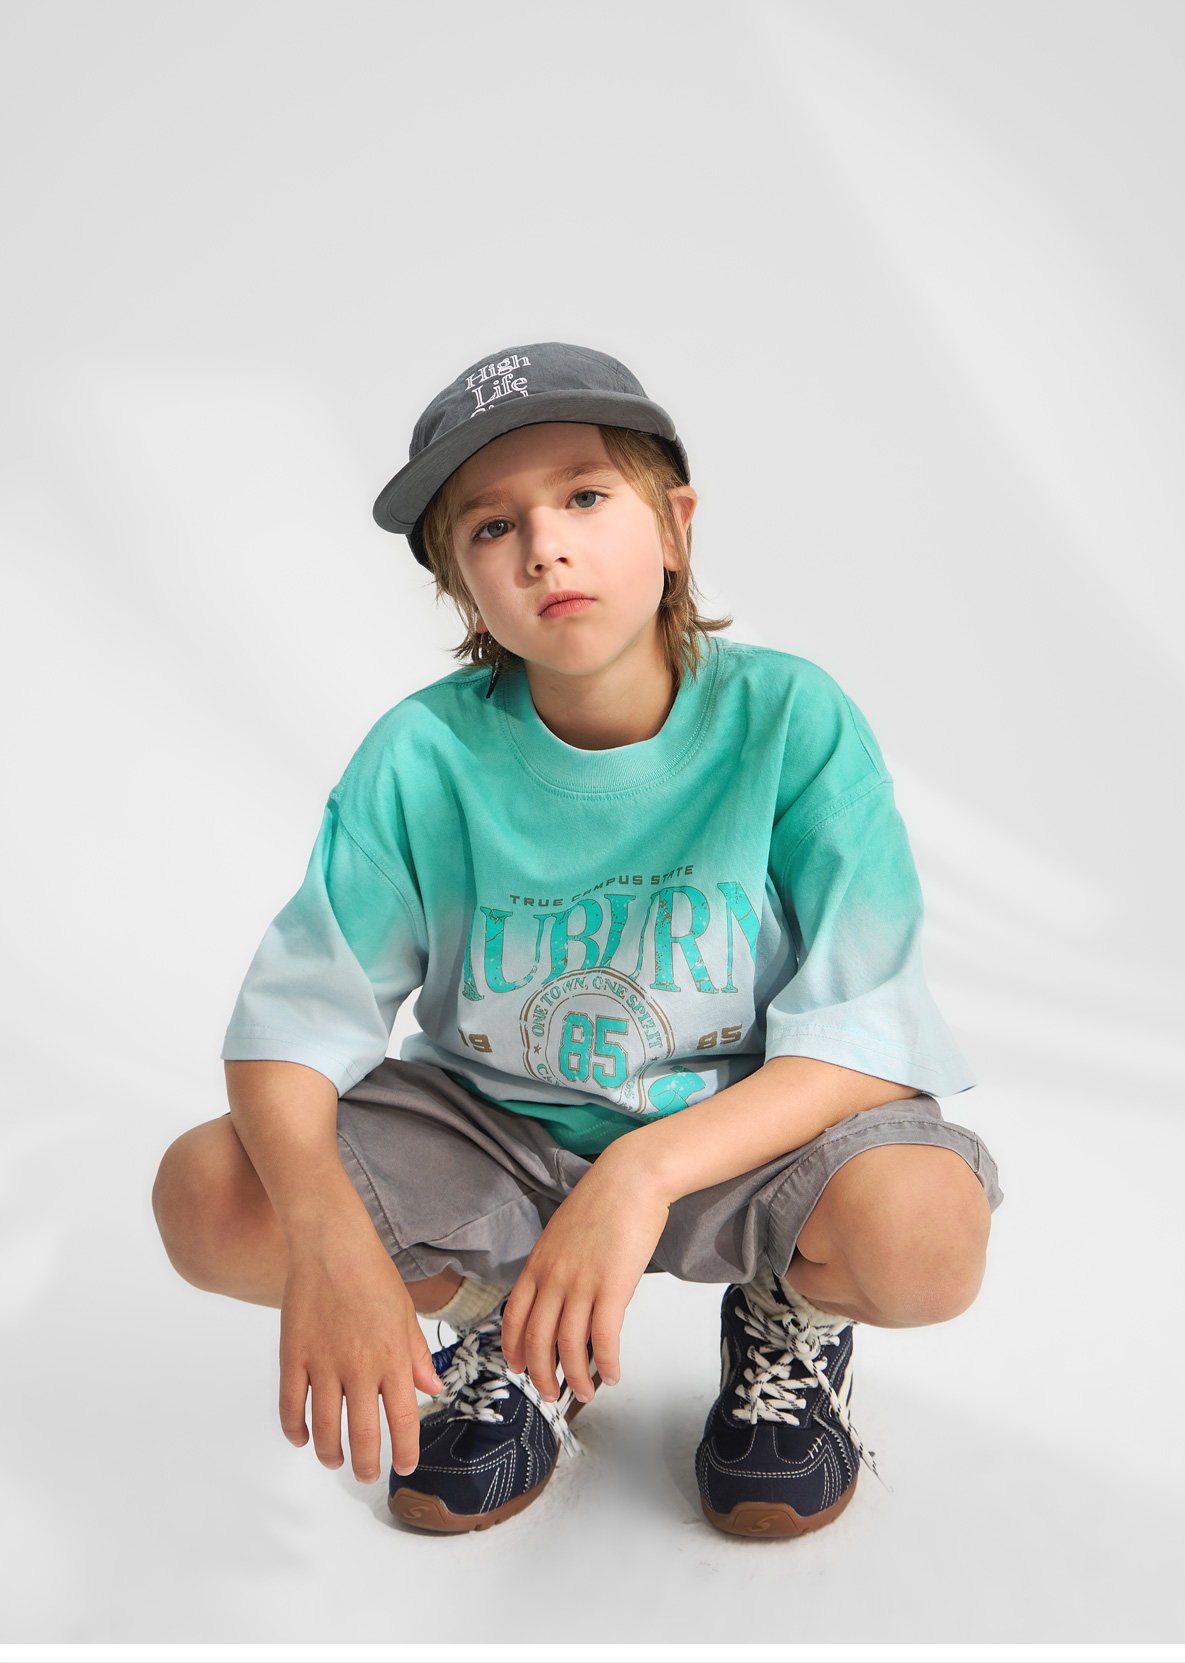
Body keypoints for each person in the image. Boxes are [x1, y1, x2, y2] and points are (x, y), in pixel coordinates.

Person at [152, 342, 1002, 1539]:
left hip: (731, 1139)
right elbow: (295, 1024)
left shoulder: (790, 720)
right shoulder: (423, 756)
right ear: (463, 583)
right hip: (496, 1137)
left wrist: (638, 1174)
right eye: (493, 526)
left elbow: (870, 1027)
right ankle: (512, 1331)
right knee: (213, 1193)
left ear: (675, 526)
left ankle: (789, 1324)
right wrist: (335, 1245)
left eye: (587, 496)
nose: (544, 546)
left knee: (926, 1230)